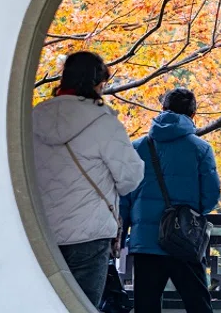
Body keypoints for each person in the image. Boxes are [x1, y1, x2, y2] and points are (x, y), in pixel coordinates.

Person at [32, 51, 145, 308]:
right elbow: (130, 177)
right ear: (97, 83)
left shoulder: (35, 117)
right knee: (83, 305)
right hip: (89, 232)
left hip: (40, 229)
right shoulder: (103, 122)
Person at [120, 87, 221, 313]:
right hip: (184, 240)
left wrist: (122, 234)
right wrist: (191, 214)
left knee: (146, 306)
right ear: (193, 114)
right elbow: (212, 195)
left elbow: (123, 198)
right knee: (198, 306)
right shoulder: (201, 148)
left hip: (145, 242)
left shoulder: (137, 147)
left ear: (163, 109)